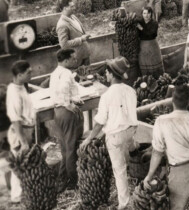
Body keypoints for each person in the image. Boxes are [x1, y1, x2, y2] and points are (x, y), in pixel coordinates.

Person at [144, 84, 189, 210]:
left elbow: (157, 152)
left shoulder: (162, 121)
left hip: (181, 169)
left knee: (177, 205)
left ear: (172, 101)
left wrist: (149, 176)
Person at [81, 57, 138, 210]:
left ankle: (124, 204)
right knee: (129, 152)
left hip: (116, 136)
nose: (105, 75)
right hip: (130, 131)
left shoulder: (107, 95)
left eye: (106, 73)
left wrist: (90, 138)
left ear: (112, 75)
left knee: (119, 171)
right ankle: (135, 158)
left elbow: (100, 122)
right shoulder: (131, 90)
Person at [50, 48, 85, 191]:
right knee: (71, 148)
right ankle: (73, 181)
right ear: (65, 60)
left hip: (57, 112)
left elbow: (59, 91)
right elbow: (63, 89)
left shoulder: (55, 73)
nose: (75, 60)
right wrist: (69, 104)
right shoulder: (66, 73)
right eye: (73, 58)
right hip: (67, 112)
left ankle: (62, 179)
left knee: (64, 148)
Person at [5, 60, 35, 205]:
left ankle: (24, 192)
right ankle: (17, 196)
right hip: (19, 133)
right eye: (28, 73)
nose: (31, 74)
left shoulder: (20, 86)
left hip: (27, 129)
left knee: (25, 163)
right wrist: (23, 142)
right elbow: (15, 119)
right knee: (19, 164)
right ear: (19, 75)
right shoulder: (14, 93)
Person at [57, 0, 91, 67]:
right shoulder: (62, 25)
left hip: (84, 55)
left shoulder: (73, 17)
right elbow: (64, 45)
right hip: (77, 59)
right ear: (64, 8)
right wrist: (81, 39)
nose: (74, 8)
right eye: (71, 6)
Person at [137, 7, 164, 79]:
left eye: (148, 13)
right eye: (144, 13)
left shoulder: (154, 23)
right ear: (142, 14)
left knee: (154, 65)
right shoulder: (140, 22)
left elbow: (151, 34)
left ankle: (158, 81)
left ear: (151, 14)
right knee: (144, 65)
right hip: (142, 46)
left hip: (152, 45)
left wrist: (141, 28)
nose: (146, 15)